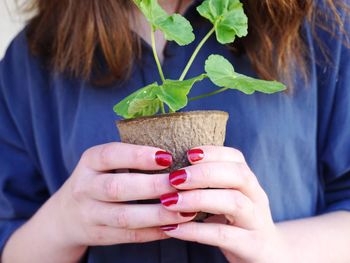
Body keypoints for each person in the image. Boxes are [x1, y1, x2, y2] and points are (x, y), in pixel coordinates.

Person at [1, 0, 350, 262]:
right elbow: (8, 234)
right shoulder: (31, 58)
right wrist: (62, 222)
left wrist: (278, 250)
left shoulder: (324, 22)